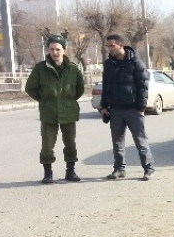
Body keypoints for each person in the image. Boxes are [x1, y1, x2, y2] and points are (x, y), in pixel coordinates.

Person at [24, 35, 86, 183]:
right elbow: (30, 88)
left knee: (70, 143)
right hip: (49, 112)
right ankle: (48, 173)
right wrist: (45, 100)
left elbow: (80, 89)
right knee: (47, 145)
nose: (55, 52)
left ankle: (70, 171)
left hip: (68, 112)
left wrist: (67, 101)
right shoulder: (41, 69)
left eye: (58, 49)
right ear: (48, 50)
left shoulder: (73, 69)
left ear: (64, 50)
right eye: (51, 49)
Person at [99, 34, 155, 180]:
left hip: (133, 109)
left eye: (112, 45)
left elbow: (143, 87)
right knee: (117, 141)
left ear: (121, 45)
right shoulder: (109, 64)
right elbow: (106, 86)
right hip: (116, 109)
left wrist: (141, 108)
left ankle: (148, 169)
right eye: (108, 46)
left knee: (140, 140)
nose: (109, 48)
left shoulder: (136, 63)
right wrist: (104, 106)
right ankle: (119, 169)